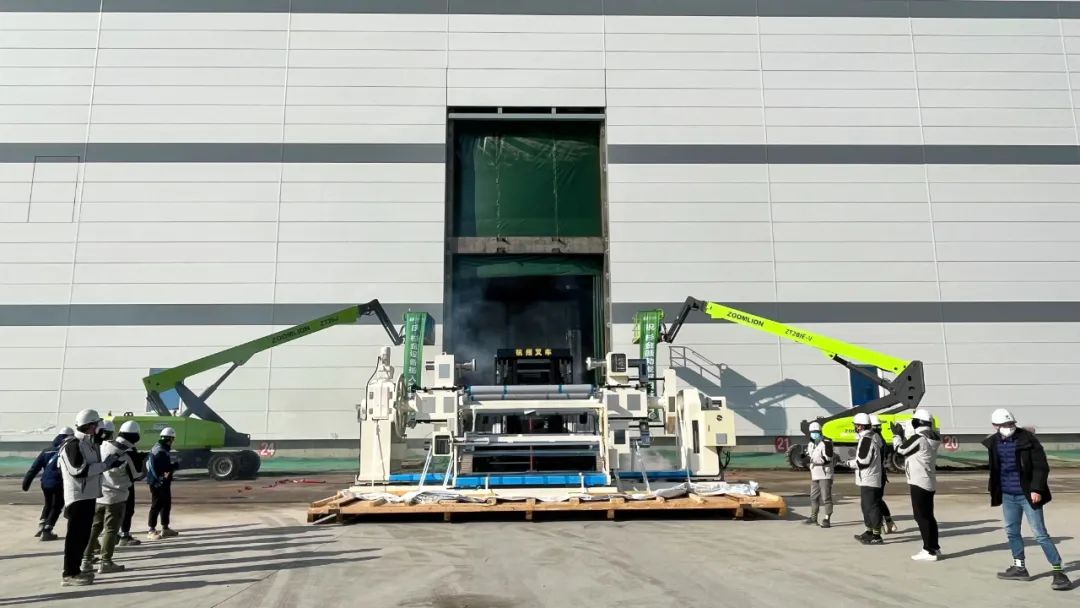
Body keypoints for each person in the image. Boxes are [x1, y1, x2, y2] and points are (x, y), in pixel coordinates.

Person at [984, 409, 1070, 591]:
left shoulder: (1028, 440)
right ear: (995, 426)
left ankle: (1059, 572)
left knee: (1040, 533)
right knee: (1012, 531)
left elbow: (1041, 466)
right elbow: (996, 469)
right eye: (1004, 425)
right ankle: (1019, 567)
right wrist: (994, 488)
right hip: (1008, 495)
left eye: (1010, 424)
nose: (1008, 427)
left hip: (1028, 494)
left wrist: (1036, 488)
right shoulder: (994, 443)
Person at [58, 409, 124, 587]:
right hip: (77, 497)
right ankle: (69, 573)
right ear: (90, 426)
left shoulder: (89, 444)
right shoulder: (72, 444)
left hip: (88, 496)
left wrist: (109, 462)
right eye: (96, 425)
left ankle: (76, 569)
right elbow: (78, 470)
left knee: (82, 537)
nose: (99, 429)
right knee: (75, 538)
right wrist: (105, 465)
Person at [83, 420, 143, 574]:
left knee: (94, 528)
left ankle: (86, 560)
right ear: (135, 436)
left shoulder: (103, 446)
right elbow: (137, 475)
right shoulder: (128, 453)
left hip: (98, 495)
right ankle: (106, 562)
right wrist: (143, 462)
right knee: (110, 530)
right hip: (116, 497)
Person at [893, 409, 942, 561]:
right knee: (928, 516)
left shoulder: (919, 438)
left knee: (921, 516)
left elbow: (901, 450)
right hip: (928, 480)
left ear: (917, 423)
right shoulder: (933, 437)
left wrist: (897, 436)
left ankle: (929, 550)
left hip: (918, 481)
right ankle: (934, 547)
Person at [22, 427, 74, 541]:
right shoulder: (68, 450)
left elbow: (34, 468)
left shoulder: (46, 451)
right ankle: (47, 530)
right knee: (56, 506)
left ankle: (42, 523)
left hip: (45, 483)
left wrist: (26, 483)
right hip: (59, 483)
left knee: (48, 504)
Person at [845, 412, 884, 545]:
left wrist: (847, 463)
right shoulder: (873, 436)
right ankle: (869, 532)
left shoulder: (866, 439)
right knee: (866, 506)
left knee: (871, 507)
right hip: (869, 478)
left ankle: (876, 536)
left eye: (856, 425)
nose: (855, 427)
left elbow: (863, 461)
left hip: (869, 479)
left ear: (860, 426)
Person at [116, 421, 145, 546]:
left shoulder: (111, 445)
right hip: (125, 485)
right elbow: (137, 474)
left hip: (108, 485)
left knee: (113, 512)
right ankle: (125, 536)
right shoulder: (129, 450)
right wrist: (142, 462)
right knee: (127, 510)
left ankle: (113, 535)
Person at [147, 427, 179, 540]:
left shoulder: (161, 449)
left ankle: (165, 528)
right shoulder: (160, 451)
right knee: (156, 505)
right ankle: (151, 530)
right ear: (168, 439)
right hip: (158, 482)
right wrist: (173, 467)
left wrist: (168, 472)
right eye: (172, 439)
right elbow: (162, 469)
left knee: (166, 504)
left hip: (162, 481)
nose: (172, 442)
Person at [870, 414, 899, 534]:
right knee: (878, 500)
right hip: (881, 474)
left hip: (874, 475)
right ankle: (888, 522)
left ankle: (880, 525)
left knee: (873, 501)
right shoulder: (881, 439)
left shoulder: (873, 439)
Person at [803, 421, 834, 528]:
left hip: (825, 475)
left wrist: (811, 460)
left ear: (820, 432)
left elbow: (827, 459)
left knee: (826, 498)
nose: (814, 434)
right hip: (815, 474)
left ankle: (827, 519)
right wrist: (805, 456)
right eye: (812, 432)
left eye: (815, 431)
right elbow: (810, 454)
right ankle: (813, 517)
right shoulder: (811, 444)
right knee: (813, 497)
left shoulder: (827, 443)